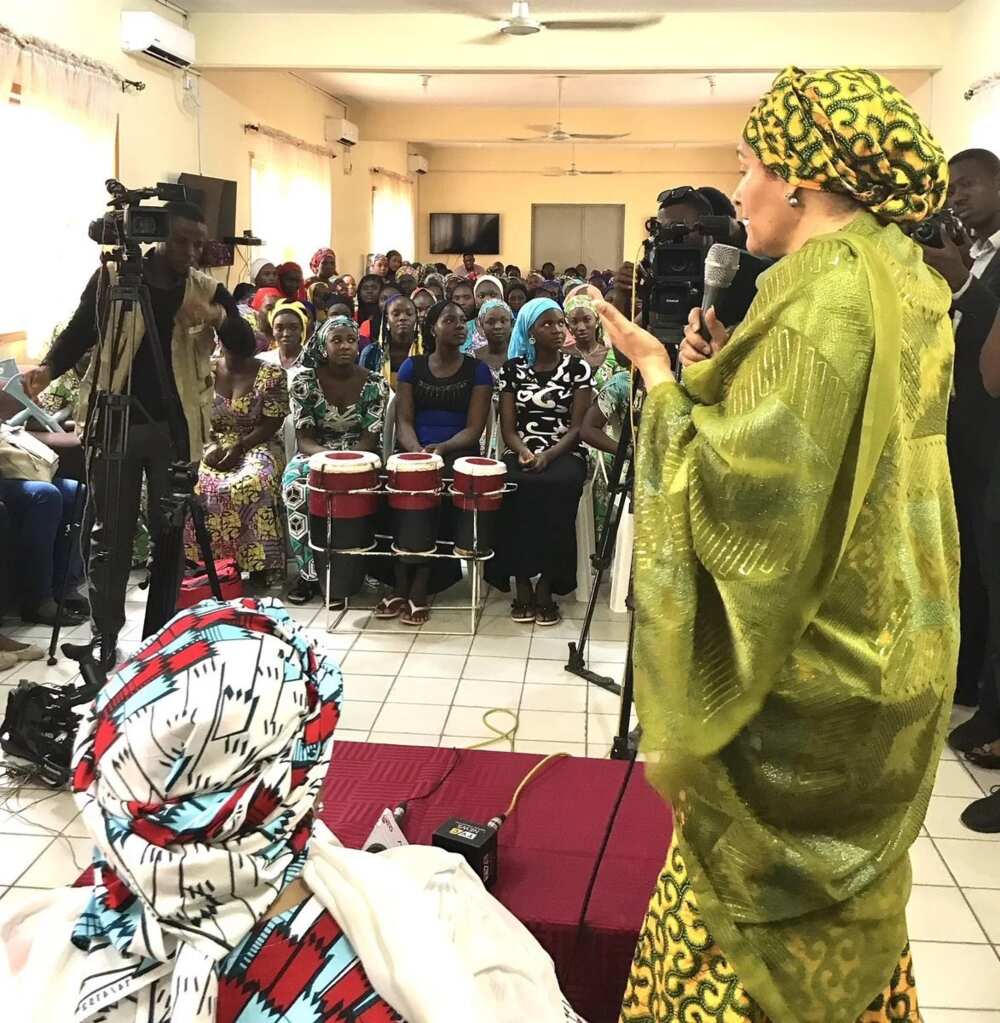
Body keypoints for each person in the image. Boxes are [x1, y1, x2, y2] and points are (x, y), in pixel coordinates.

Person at [595, 66, 955, 1023]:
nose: (740, 187)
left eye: (749, 164)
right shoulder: (906, 278)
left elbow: (752, 504)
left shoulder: (825, 296)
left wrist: (662, 381)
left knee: (744, 914)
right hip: (886, 637)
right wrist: (729, 377)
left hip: (803, 662)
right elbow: (824, 456)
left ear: (803, 179)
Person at [22, 200, 240, 667]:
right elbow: (81, 331)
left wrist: (220, 316)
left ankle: (160, 640)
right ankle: (104, 638)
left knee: (170, 535)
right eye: (181, 240)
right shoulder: (114, 280)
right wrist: (46, 370)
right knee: (109, 536)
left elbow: (244, 344)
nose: (189, 251)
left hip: (177, 430)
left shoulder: (204, 288)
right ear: (158, 236)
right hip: (116, 423)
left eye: (197, 243)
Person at [924, 148, 1000, 830]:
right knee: (971, 567)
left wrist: (960, 288)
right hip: (962, 432)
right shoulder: (968, 250)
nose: (959, 196)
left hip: (993, 433)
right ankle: (976, 691)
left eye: (970, 183)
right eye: (951, 187)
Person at [375, 300, 493, 625]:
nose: (459, 325)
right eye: (449, 320)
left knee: (437, 485)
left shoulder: (477, 370)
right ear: (432, 328)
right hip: (414, 448)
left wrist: (441, 450)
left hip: (458, 449)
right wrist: (418, 453)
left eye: (461, 321)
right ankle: (400, 581)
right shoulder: (413, 367)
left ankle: (421, 585)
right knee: (404, 481)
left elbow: (474, 429)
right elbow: (405, 421)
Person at [485, 298, 592, 626]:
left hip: (566, 451)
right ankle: (520, 583)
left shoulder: (577, 368)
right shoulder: (512, 369)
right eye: (548, 324)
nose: (558, 330)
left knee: (557, 486)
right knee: (513, 486)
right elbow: (508, 427)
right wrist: (524, 452)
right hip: (521, 449)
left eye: (561, 323)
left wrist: (549, 454)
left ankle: (547, 584)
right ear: (530, 332)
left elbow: (578, 428)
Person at [283, 317, 388, 604]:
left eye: (351, 340)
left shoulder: (375, 383)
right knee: (296, 483)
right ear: (323, 345)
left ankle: (357, 570)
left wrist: (347, 463)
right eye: (336, 340)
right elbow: (304, 438)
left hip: (361, 454)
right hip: (317, 452)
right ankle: (308, 575)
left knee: (366, 485)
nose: (345, 346)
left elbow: (370, 438)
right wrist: (329, 460)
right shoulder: (305, 382)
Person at [186, 317, 288, 584]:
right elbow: (194, 414)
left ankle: (260, 565)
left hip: (257, 441)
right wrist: (210, 446)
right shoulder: (204, 372)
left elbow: (273, 421)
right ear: (221, 345)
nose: (239, 360)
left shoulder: (272, 374)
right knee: (196, 483)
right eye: (233, 353)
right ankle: (204, 562)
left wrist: (240, 446)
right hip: (212, 441)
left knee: (255, 482)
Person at [359, 294, 421, 387]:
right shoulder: (371, 353)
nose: (402, 318)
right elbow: (363, 391)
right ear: (387, 319)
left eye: (409, 314)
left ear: (416, 318)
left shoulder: (427, 350)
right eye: (396, 314)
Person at [563, 292, 614, 386]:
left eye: (587, 320)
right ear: (569, 326)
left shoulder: (612, 357)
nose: (581, 327)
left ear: (597, 321)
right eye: (574, 321)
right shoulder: (562, 356)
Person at [259, 300, 308, 370]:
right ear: (272, 330)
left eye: (293, 327)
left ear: (302, 329)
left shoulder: (315, 363)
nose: (286, 334)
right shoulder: (262, 361)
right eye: (279, 328)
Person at [470, 298, 514, 375]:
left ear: (511, 323)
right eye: (491, 322)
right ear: (481, 325)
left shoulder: (522, 354)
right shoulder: (472, 357)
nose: (498, 326)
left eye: (503, 321)